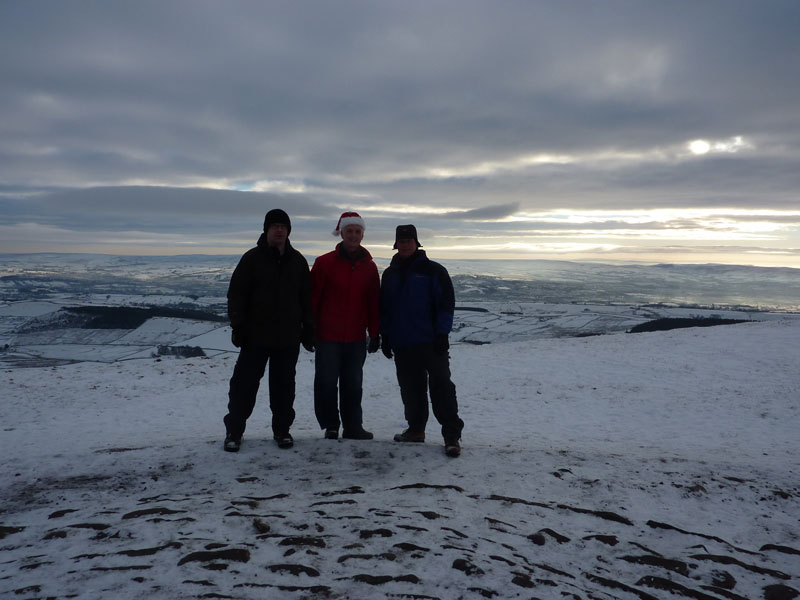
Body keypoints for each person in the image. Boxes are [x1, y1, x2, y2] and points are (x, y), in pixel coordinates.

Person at [223, 209, 314, 452]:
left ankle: (282, 431)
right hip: (255, 337)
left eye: (283, 226)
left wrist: (308, 328)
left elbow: (307, 298)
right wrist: (238, 325)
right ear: (266, 230)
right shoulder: (252, 259)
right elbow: (236, 294)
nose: (279, 230)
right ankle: (234, 431)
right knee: (243, 386)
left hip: (288, 337)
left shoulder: (298, 261)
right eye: (274, 225)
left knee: (284, 387)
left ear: (289, 230)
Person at [380, 224, 464, 457]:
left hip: (431, 342)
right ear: (396, 244)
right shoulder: (389, 274)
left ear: (416, 243)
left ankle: (451, 436)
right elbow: (385, 308)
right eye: (401, 241)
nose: (405, 245)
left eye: (409, 241)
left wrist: (442, 334)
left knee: (442, 388)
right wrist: (385, 336)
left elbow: (446, 304)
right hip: (403, 342)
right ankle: (416, 430)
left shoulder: (434, 271)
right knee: (411, 389)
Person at [311, 211, 380, 440]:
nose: (353, 235)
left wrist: (375, 333)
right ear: (341, 233)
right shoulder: (324, 263)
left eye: (357, 231)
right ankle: (331, 425)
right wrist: (309, 328)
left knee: (353, 384)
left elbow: (373, 302)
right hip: (328, 336)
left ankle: (353, 426)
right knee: (326, 382)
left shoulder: (370, 267)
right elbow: (313, 299)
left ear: (362, 235)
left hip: (356, 337)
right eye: (349, 231)